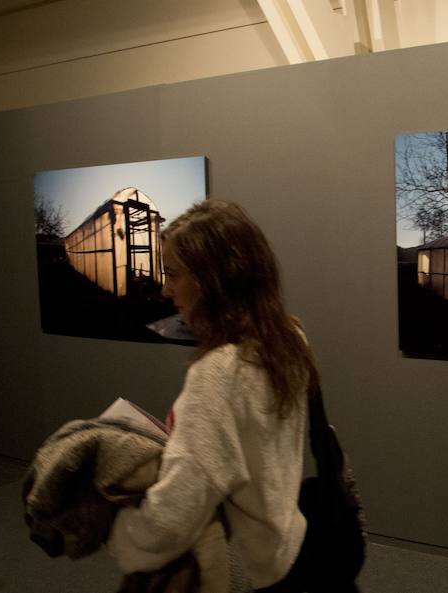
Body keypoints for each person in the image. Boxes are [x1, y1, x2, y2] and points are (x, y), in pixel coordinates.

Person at [108, 199, 318, 592]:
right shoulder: (289, 339)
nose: (166, 289)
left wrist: (123, 536)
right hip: (288, 547)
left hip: (246, 568)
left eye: (173, 275)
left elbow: (176, 513)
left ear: (217, 279)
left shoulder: (219, 373)